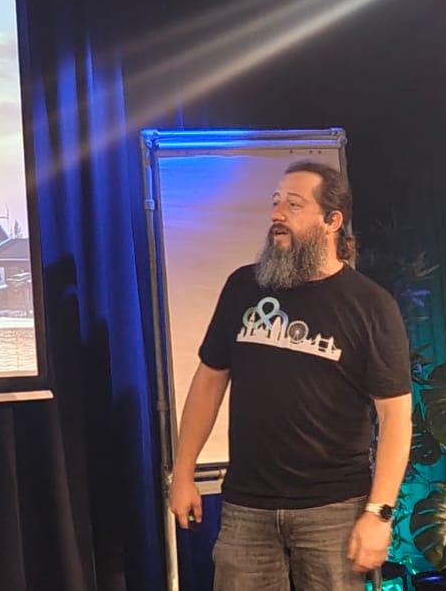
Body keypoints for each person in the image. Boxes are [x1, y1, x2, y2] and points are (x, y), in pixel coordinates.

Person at [168, 161, 412, 590]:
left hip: (333, 510)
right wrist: (183, 472)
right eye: (276, 202)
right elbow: (209, 381)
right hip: (247, 509)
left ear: (332, 221)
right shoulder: (243, 287)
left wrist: (379, 513)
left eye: (294, 205)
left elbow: (395, 418)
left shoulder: (371, 306)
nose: (276, 214)